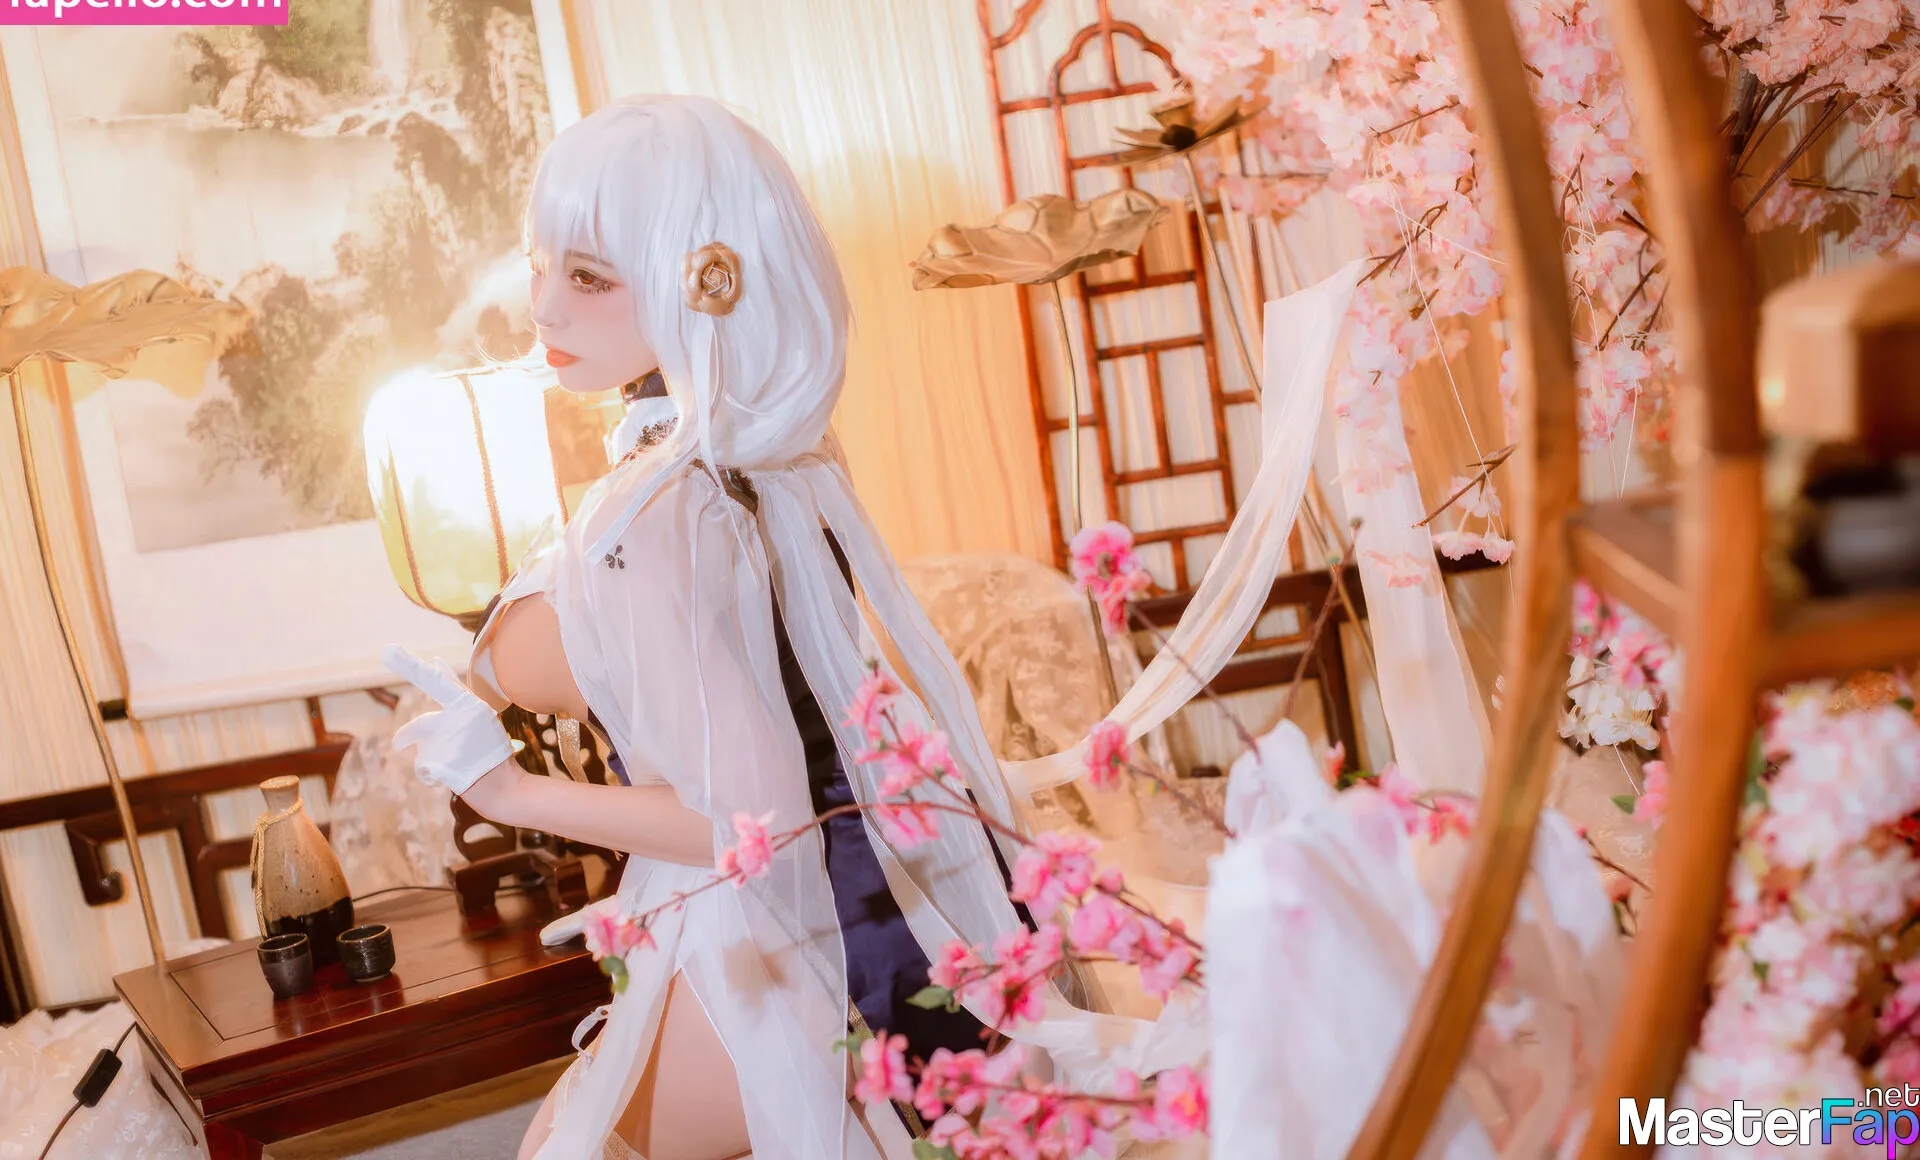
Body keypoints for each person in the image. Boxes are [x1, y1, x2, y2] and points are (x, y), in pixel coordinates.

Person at [382, 95, 1132, 1160]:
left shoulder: (658, 505)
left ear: (708, 278)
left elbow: (750, 814)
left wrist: (506, 791)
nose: (542, 306)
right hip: (869, 909)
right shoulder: (768, 462)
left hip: (762, 927)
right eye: (539, 265)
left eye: (588, 276)